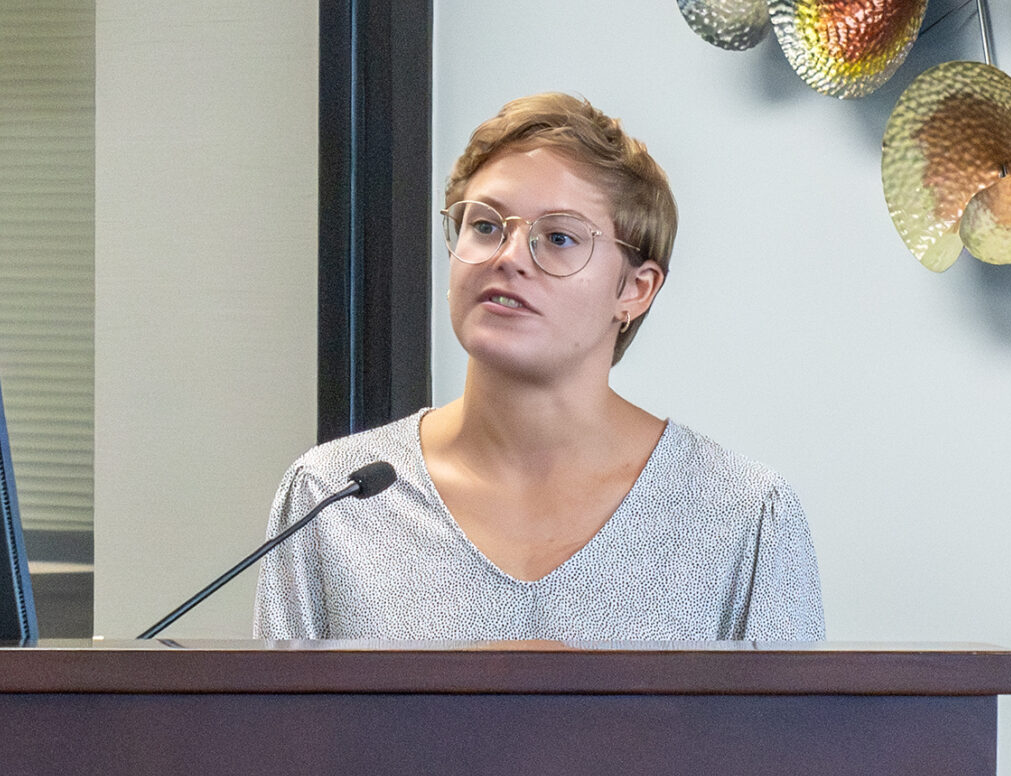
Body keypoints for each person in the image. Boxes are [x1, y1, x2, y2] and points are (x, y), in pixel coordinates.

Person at [255, 92, 823, 642]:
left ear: (636, 290)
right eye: (484, 226)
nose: (508, 257)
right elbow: (272, 738)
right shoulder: (331, 498)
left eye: (558, 237)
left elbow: (790, 742)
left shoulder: (743, 517)